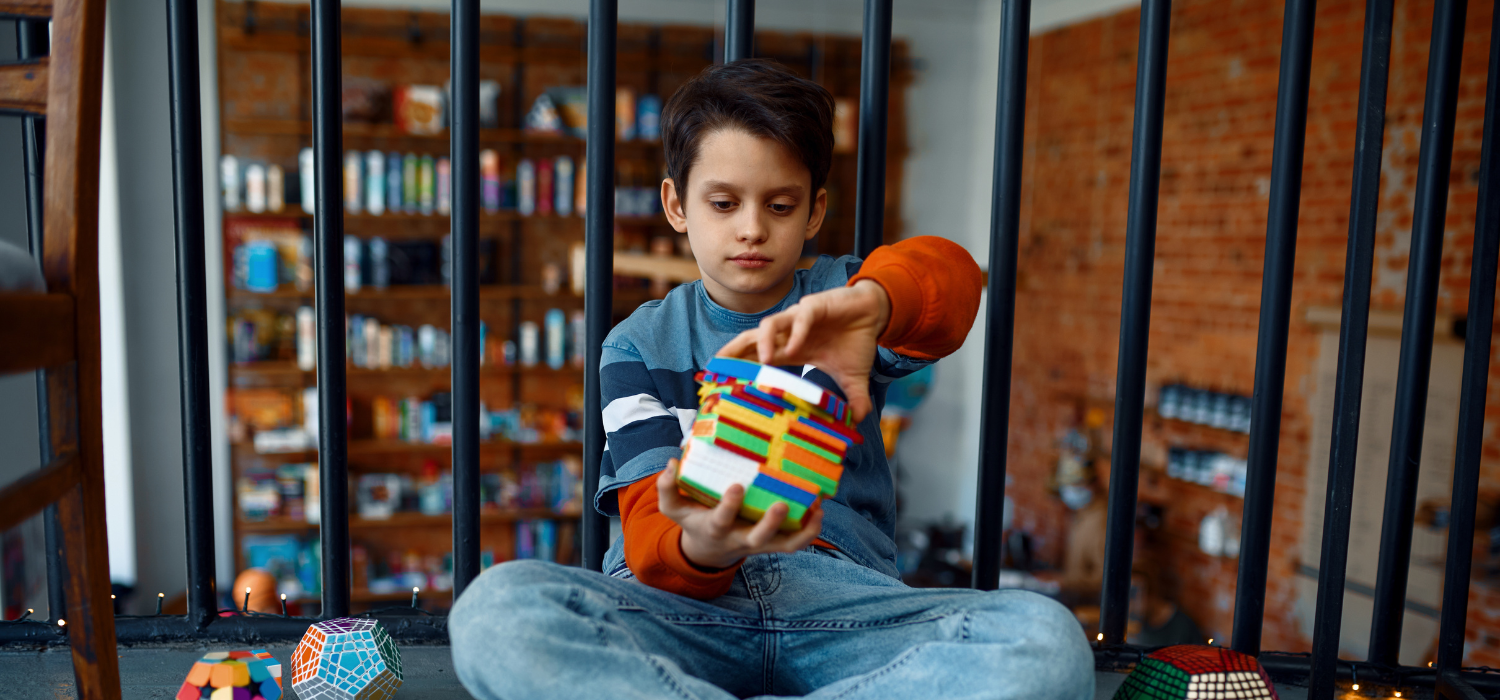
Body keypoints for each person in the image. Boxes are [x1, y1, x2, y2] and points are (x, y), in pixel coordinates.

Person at [449, 59, 1094, 700]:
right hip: (681, 612)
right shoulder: (636, 344)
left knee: (1046, 643)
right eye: (724, 203)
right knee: (496, 612)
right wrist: (704, 544)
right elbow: (648, 527)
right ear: (676, 204)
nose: (752, 228)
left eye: (780, 205)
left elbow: (952, 281)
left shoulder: (847, 297)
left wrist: (875, 304)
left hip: (842, 603)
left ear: (814, 212)